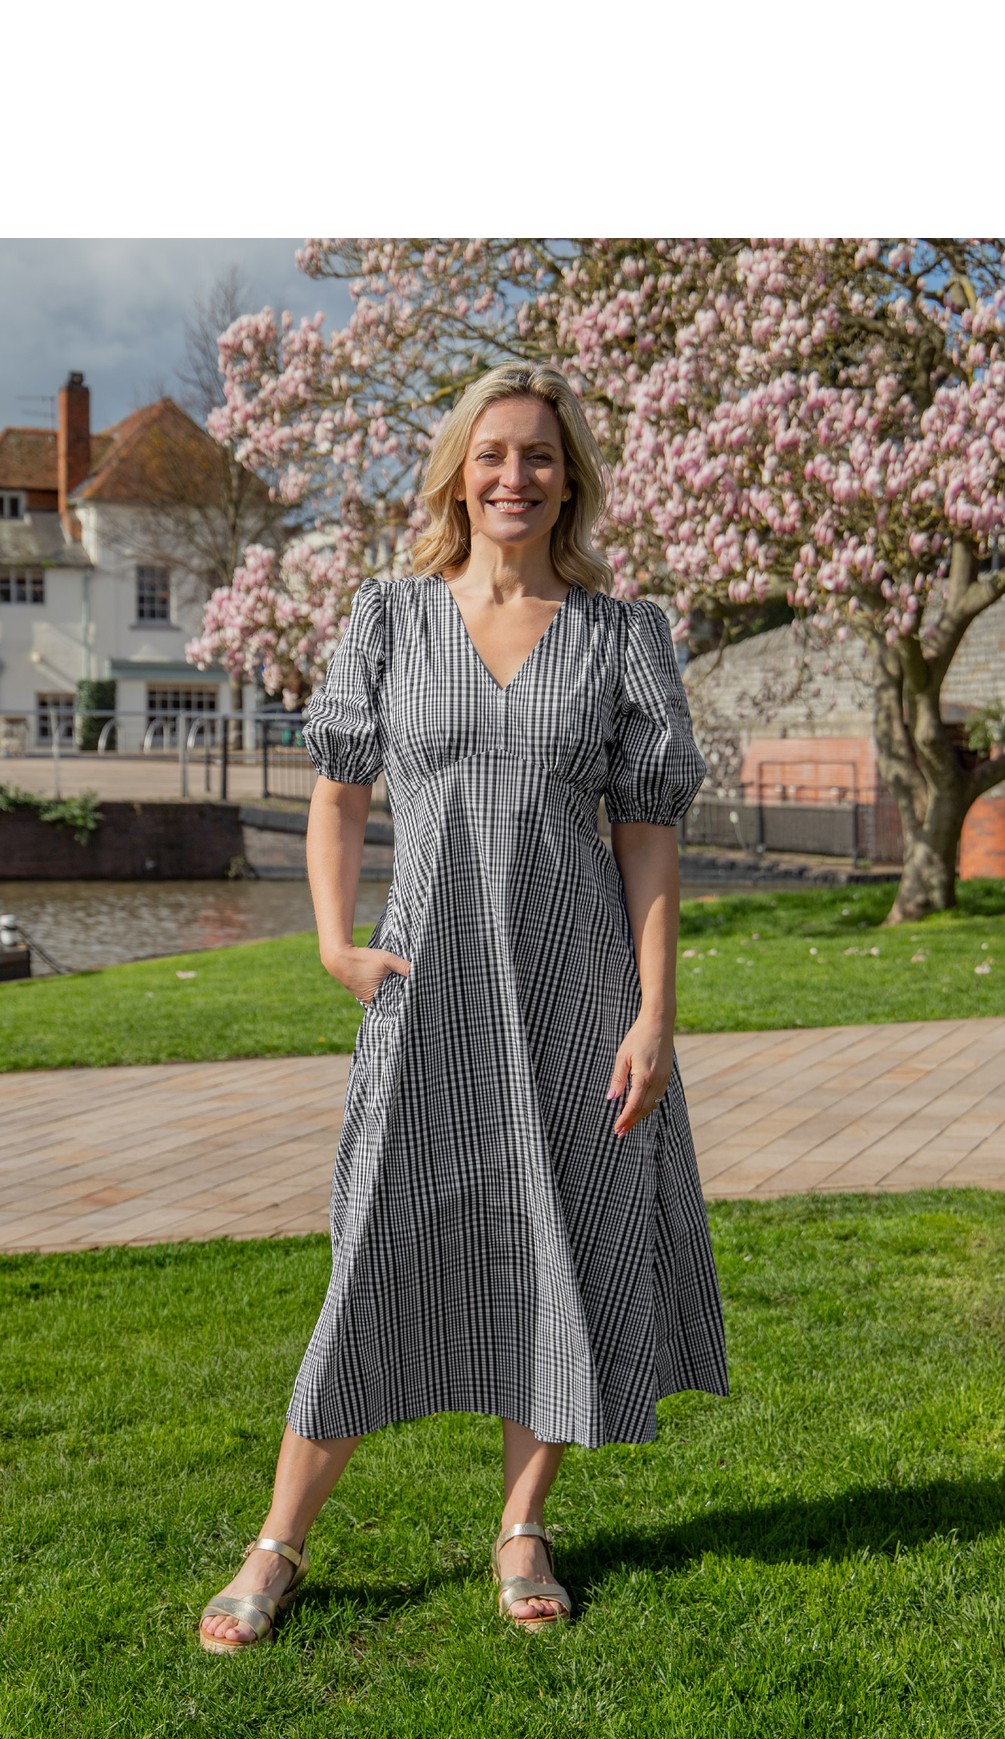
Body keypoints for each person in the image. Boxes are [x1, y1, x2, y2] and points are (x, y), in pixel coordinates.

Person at [198, 360, 729, 1651]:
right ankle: (278, 1542)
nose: (514, 476)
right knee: (375, 1243)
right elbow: (338, 794)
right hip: (426, 987)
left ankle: (521, 1527)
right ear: (456, 473)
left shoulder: (622, 636)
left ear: (570, 480)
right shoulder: (389, 617)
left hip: (575, 993)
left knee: (561, 1244)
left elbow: (648, 837)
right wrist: (336, 943)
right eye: (492, 453)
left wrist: (655, 1013)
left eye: (539, 455)